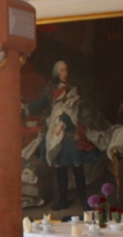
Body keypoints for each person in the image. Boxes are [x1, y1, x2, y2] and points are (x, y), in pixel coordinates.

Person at [25, 61, 101, 210]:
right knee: (60, 167)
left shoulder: (73, 89)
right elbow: (41, 104)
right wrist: (26, 108)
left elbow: (74, 109)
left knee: (77, 166)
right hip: (54, 132)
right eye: (61, 70)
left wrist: (62, 123)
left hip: (69, 132)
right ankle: (63, 200)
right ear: (56, 73)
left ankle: (84, 200)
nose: (65, 73)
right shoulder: (51, 90)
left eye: (66, 70)